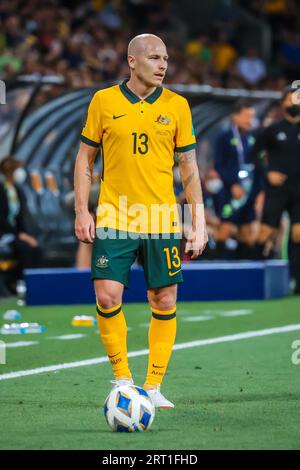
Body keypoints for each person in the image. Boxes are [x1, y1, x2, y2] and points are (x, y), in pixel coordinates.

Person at [74, 33, 207, 408]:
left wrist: (198, 221)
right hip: (116, 215)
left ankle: (152, 386)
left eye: (165, 57)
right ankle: (121, 379)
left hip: (162, 217)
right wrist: (82, 210)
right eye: (154, 57)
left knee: (163, 300)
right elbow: (84, 159)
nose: (163, 64)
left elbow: (189, 168)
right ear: (132, 61)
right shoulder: (104, 101)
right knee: (107, 294)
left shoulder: (178, 105)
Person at [250, 85, 300, 293]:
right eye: (290, 100)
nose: (294, 103)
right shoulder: (272, 129)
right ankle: (252, 278)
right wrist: (268, 172)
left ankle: (296, 281)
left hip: (299, 191)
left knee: (298, 235)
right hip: (276, 191)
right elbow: (254, 155)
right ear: (283, 103)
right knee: (265, 233)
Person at [212, 99, 264, 259]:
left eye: (252, 117)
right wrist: (232, 184)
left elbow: (259, 166)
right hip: (230, 193)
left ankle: (243, 273)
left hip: (249, 193)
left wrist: (259, 192)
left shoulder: (254, 138)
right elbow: (219, 165)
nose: (251, 121)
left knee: (247, 233)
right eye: (247, 116)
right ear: (236, 117)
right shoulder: (224, 137)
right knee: (225, 229)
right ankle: (218, 269)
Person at [0, 157, 40, 292]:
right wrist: (20, 235)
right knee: (25, 248)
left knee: (35, 248)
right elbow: (2, 219)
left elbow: (20, 217)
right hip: (4, 233)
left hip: (14, 233)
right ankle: (20, 282)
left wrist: (26, 234)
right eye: (18, 169)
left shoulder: (16, 189)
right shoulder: (1, 189)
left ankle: (32, 283)